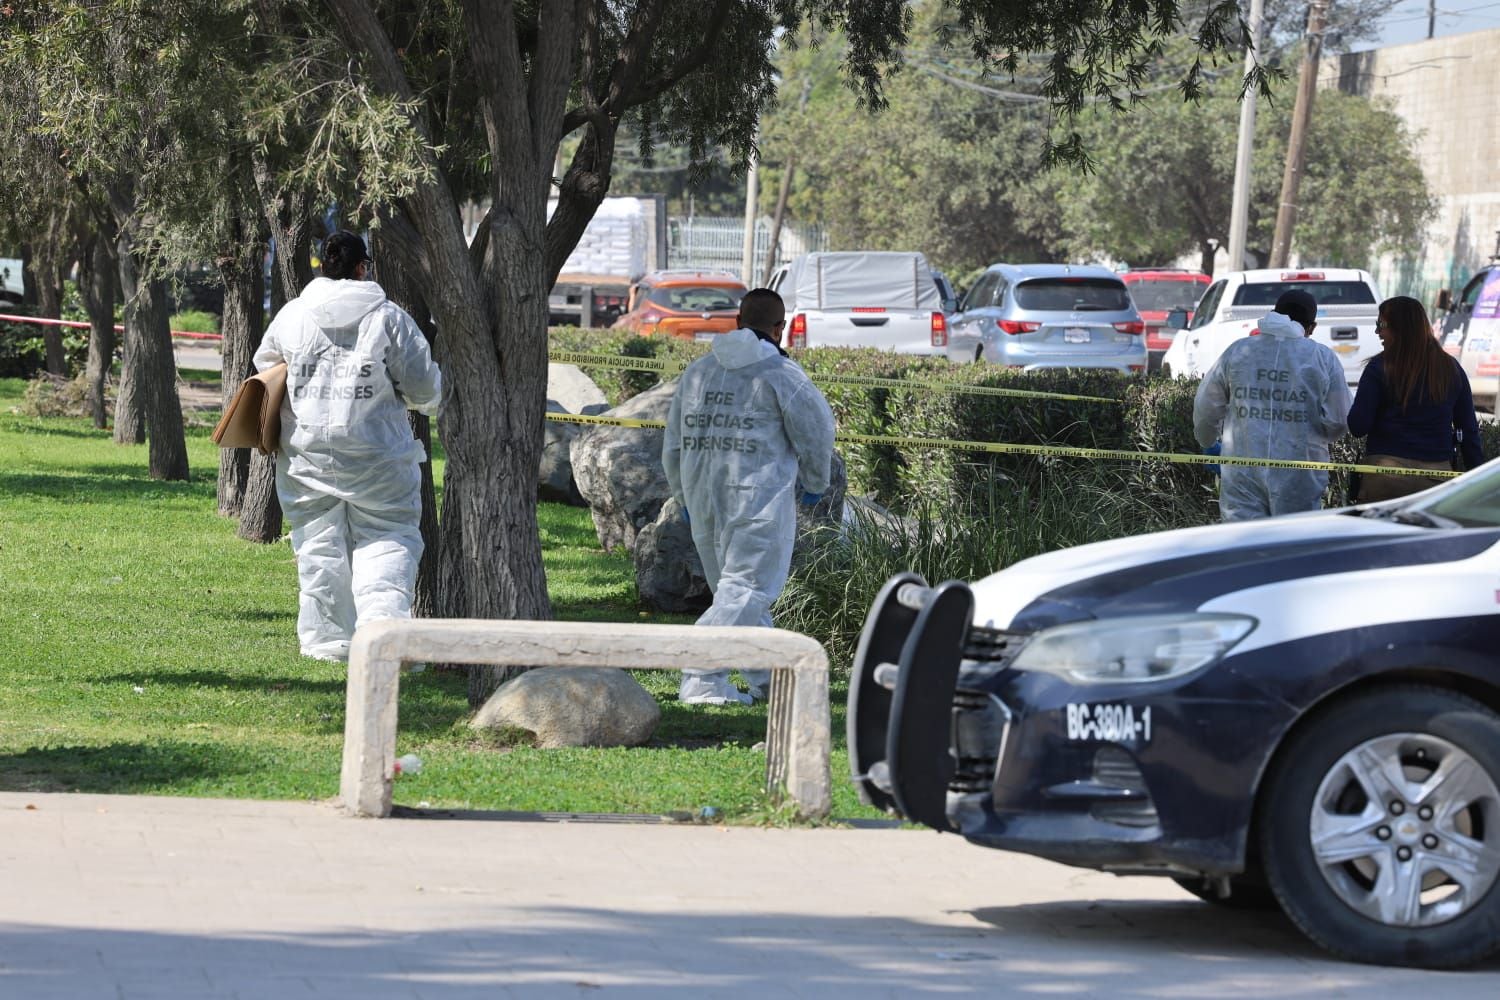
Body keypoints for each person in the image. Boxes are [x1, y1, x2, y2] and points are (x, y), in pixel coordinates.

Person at [253, 231, 443, 661]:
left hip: (306, 457)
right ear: (363, 267)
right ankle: (383, 640)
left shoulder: (292, 315)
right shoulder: (389, 318)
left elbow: (267, 367)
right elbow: (424, 388)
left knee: (317, 546)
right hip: (379, 458)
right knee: (387, 540)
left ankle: (326, 644)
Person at [662, 288, 835, 705]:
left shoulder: (699, 371)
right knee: (747, 591)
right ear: (780, 328)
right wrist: (816, 482)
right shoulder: (782, 375)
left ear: (737, 321)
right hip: (757, 500)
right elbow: (816, 432)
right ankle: (702, 678)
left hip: (703, 498)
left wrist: (683, 496)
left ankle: (770, 679)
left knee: (736, 594)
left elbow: (673, 443)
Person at [1193, 288, 1352, 521]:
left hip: (1242, 468)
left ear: (1273, 314)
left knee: (1244, 546)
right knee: (1292, 546)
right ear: (1312, 327)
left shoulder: (1238, 351)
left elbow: (1207, 405)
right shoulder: (1322, 357)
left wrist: (1208, 442)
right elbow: (1339, 419)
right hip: (1300, 472)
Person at [1346, 295, 1483, 502]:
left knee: (1379, 534)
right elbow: (1469, 431)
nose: (1377, 332)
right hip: (1437, 479)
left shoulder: (1378, 368)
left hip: (1384, 476)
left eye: (1381, 324)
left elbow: (1358, 426)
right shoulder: (1451, 369)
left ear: (1402, 327)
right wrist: (1480, 483)